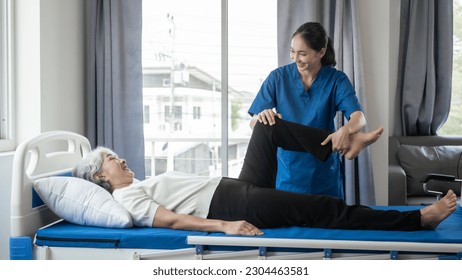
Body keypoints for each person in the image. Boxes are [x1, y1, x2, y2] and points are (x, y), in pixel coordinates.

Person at [72, 119, 457, 236]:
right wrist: (226, 226)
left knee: (266, 126)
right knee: (323, 209)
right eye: (110, 159)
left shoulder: (134, 186)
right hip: (234, 204)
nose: (119, 159)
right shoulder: (125, 200)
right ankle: (416, 219)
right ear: (100, 178)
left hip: (234, 186)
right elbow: (171, 220)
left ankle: (343, 144)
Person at [248, 21, 367, 199]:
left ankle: (354, 139)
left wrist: (346, 130)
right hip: (289, 175)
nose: (295, 58)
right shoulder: (278, 78)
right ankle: (355, 141)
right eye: (292, 51)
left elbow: (359, 118)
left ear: (321, 52)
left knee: (331, 223)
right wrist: (262, 118)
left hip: (324, 174)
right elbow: (253, 123)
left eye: (302, 53)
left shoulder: (336, 80)